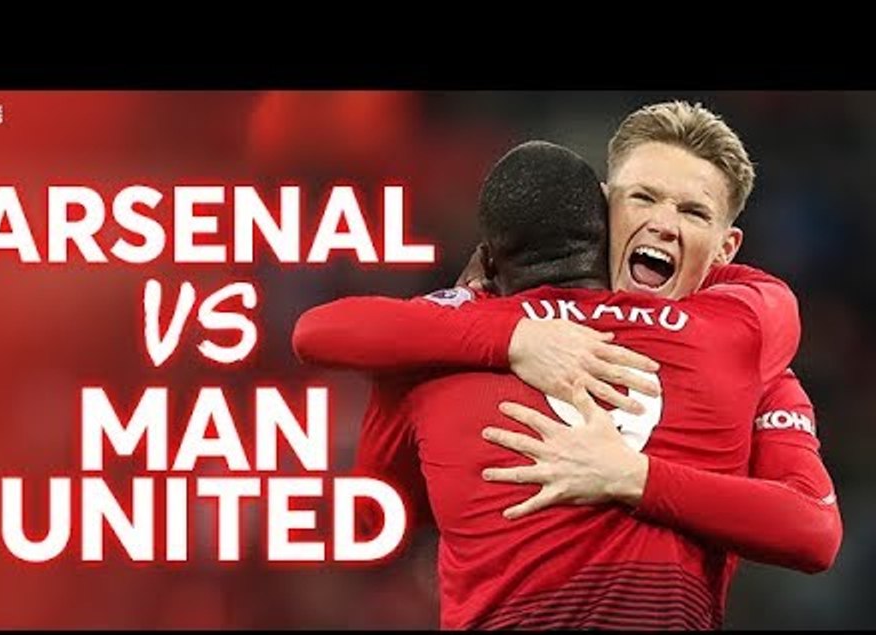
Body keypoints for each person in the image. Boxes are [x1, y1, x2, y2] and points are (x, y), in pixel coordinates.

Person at [297, 101, 842, 584]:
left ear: (726, 249)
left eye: (693, 211)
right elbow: (323, 335)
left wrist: (635, 479)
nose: (662, 223)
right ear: (603, 209)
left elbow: (813, 531)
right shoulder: (485, 326)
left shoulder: (744, 338)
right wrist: (513, 335)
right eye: (643, 198)